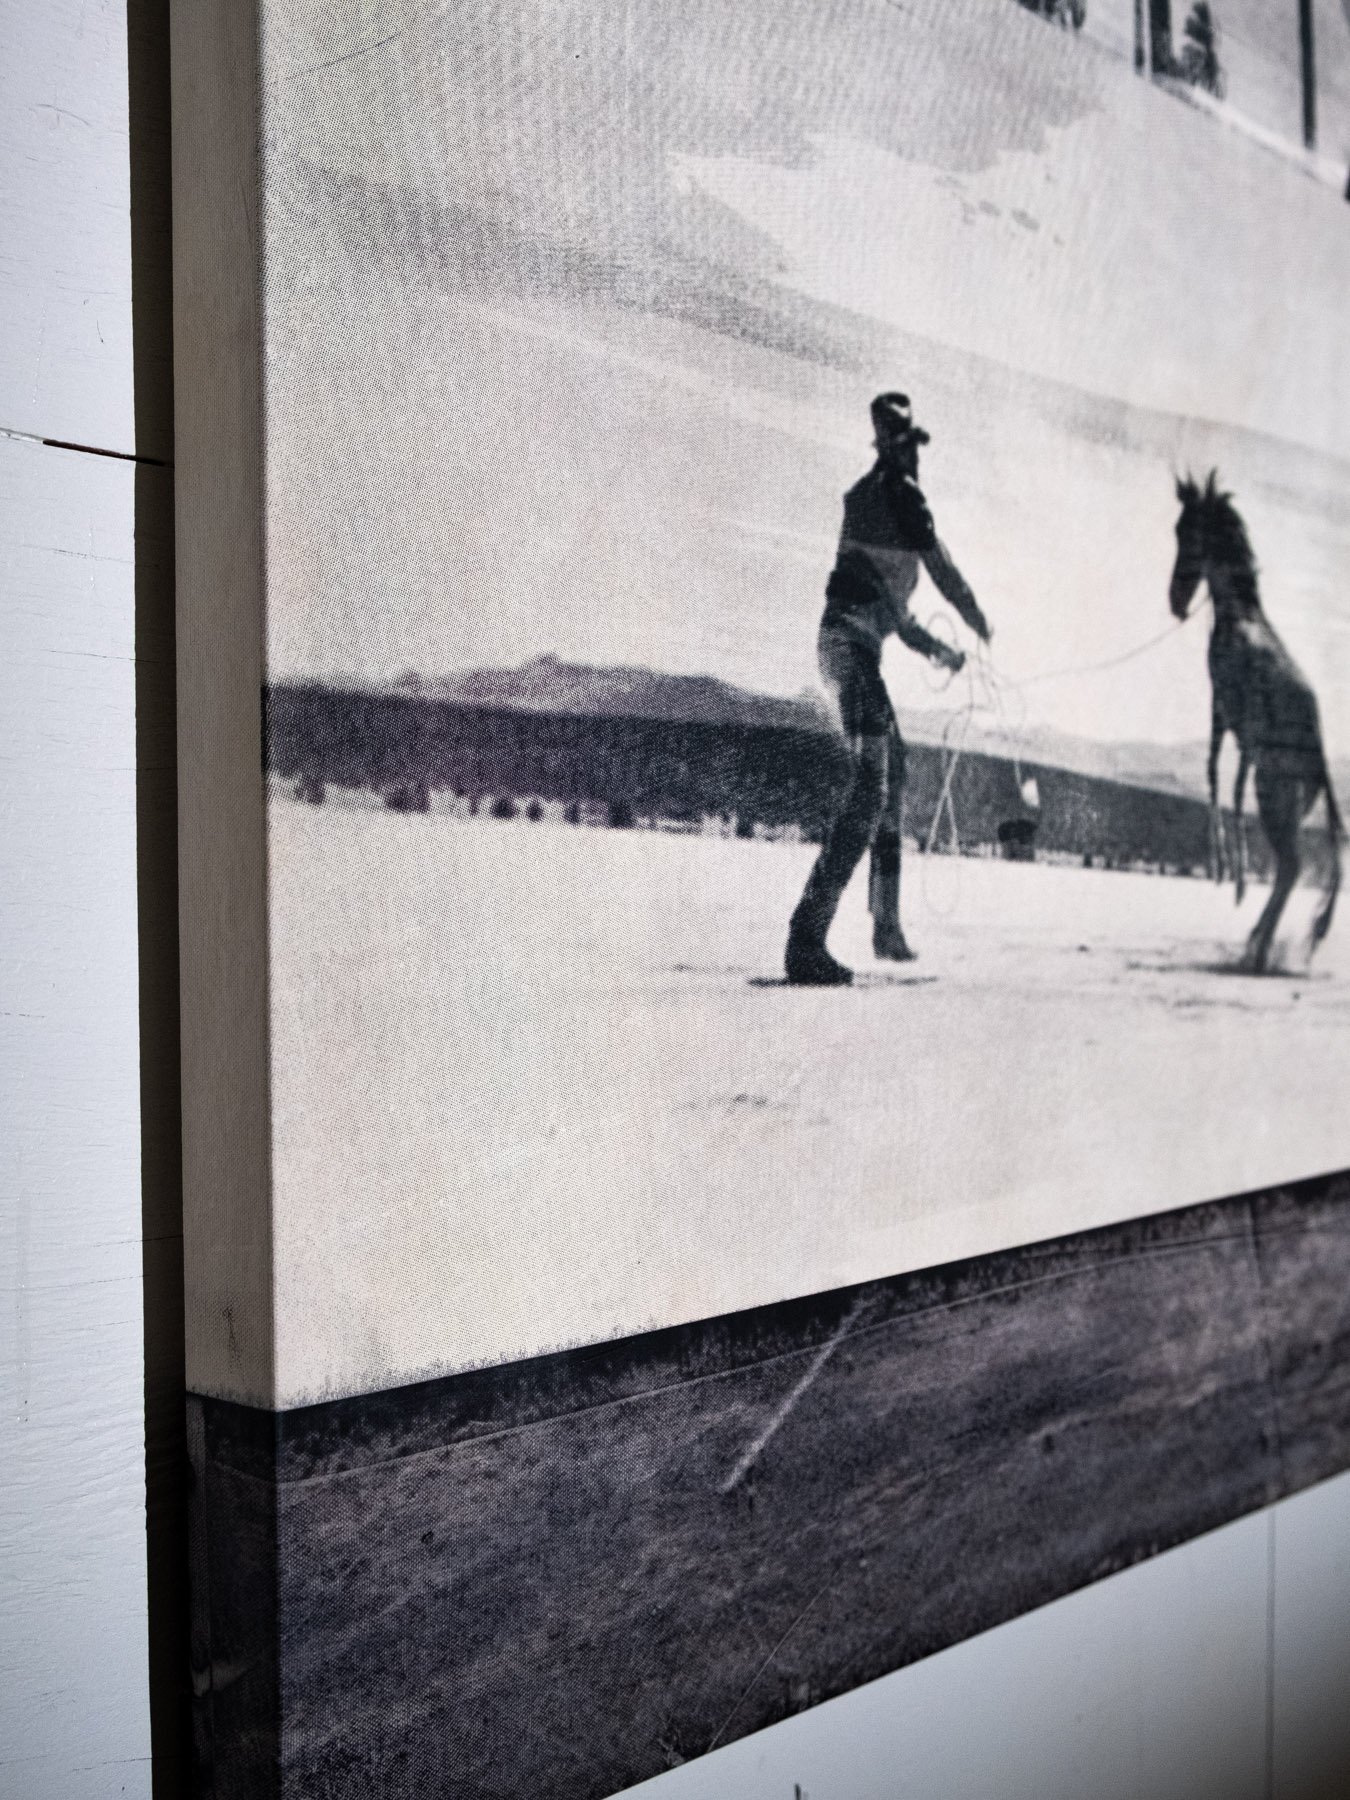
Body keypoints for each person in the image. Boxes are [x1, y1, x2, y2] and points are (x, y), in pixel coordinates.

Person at [785, 392, 992, 986]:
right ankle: (806, 939)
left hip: (841, 648)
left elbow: (893, 614)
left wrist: (940, 650)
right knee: (871, 789)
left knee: (890, 774)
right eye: (911, 447)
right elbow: (943, 568)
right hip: (853, 654)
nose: (917, 457)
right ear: (896, 449)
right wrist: (976, 617)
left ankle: (885, 924)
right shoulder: (903, 496)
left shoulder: (867, 499)